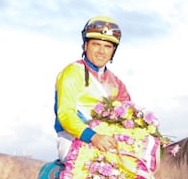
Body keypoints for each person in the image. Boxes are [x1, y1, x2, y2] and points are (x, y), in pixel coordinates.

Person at [54, 16, 131, 160]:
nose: (101, 51)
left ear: (113, 51)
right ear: (86, 46)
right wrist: (93, 136)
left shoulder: (117, 83)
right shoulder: (72, 72)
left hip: (109, 140)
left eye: (107, 47)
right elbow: (65, 113)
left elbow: (128, 116)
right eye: (96, 44)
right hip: (74, 138)